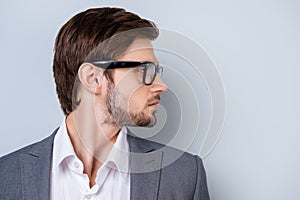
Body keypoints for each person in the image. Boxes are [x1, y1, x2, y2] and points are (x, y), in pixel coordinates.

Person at [0, 7, 210, 200]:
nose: (161, 85)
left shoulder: (184, 175)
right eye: (143, 71)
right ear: (93, 78)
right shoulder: (6, 177)